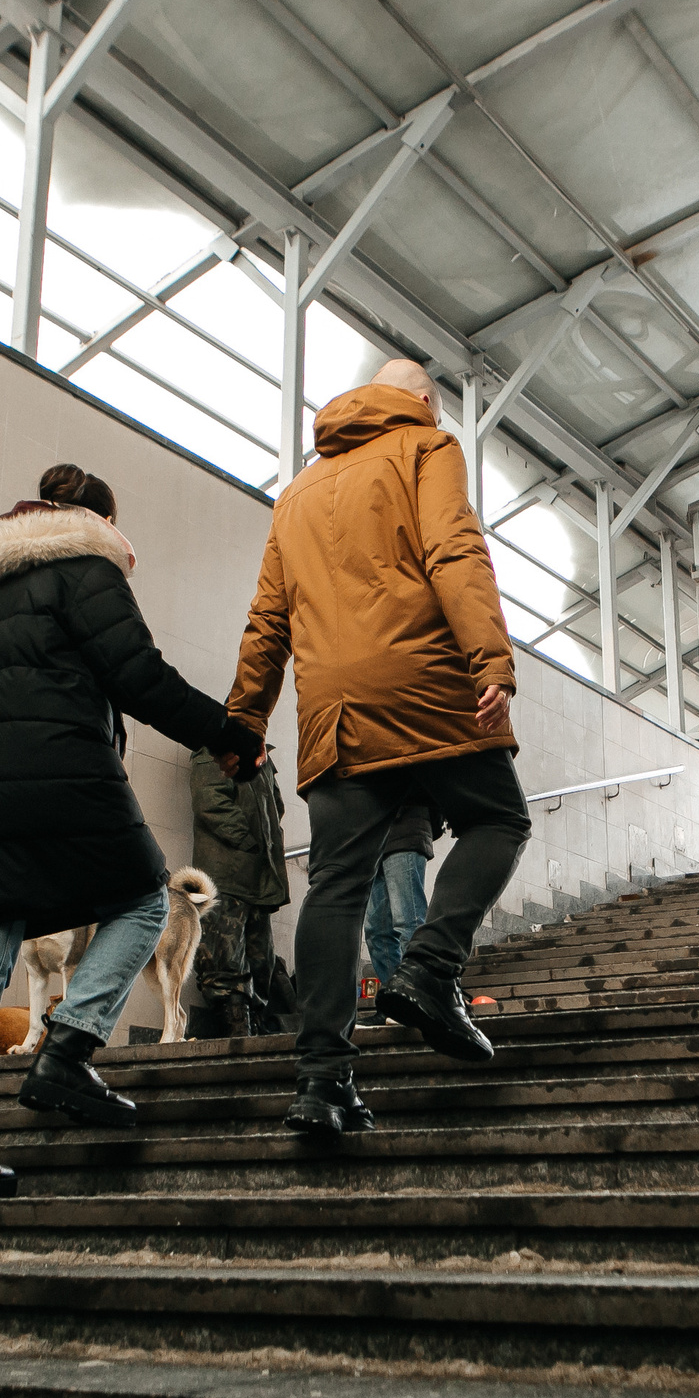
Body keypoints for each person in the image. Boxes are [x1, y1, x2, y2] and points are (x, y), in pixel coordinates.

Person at [0, 463, 265, 1200]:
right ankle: (67, 1052)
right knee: (142, 897)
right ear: (98, 521)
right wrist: (225, 733)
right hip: (59, 769)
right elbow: (138, 674)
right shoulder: (84, 568)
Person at [225, 358, 534, 1136]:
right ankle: (430, 971)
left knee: (335, 884)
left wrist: (243, 722)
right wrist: (488, 658)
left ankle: (323, 1081)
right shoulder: (427, 447)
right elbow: (454, 551)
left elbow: (268, 620)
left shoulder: (295, 493)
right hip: (425, 680)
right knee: (500, 820)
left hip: (333, 709)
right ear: (422, 401)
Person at [188, 740, 289, 1040]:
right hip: (226, 875)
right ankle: (236, 1027)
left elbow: (276, 806)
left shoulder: (262, 758)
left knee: (261, 959)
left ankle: (251, 1021)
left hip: (257, 877)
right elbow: (209, 800)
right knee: (222, 957)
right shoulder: (211, 749)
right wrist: (248, 841)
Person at [362, 797, 441, 1006]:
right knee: (375, 930)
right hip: (373, 838)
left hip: (406, 828)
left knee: (408, 922)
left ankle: (422, 997)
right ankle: (396, 1003)